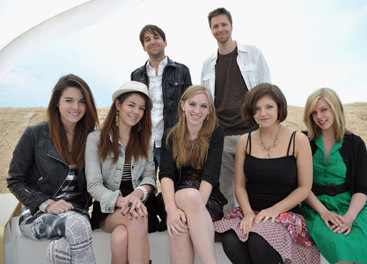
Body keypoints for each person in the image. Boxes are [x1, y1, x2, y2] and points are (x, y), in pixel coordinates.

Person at [214, 83, 320, 264]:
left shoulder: (298, 140)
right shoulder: (244, 141)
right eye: (257, 109)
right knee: (231, 240)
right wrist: (248, 213)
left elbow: (304, 188)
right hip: (251, 212)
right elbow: (239, 184)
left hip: (284, 213)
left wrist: (274, 210)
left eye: (269, 107)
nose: (263, 113)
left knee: (258, 239)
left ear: (279, 108)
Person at [7, 74, 99, 264]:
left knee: (61, 248)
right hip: (38, 214)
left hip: (77, 212)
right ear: (57, 102)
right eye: (69, 100)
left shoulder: (92, 138)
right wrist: (47, 203)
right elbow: (15, 180)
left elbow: (100, 180)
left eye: (82, 101)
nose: (76, 107)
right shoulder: (35, 135)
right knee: (76, 226)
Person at [301, 88, 367, 264]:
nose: (319, 116)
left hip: (352, 206)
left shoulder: (355, 143)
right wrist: (324, 212)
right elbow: (302, 185)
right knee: (342, 253)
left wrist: (350, 217)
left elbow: (360, 189)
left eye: (324, 109)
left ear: (337, 108)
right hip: (316, 207)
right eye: (314, 112)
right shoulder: (304, 141)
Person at [201, 7, 272, 214]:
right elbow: (205, 102)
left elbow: (266, 89)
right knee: (226, 188)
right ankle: (230, 231)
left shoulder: (253, 53)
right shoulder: (207, 64)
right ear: (211, 30)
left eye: (224, 24)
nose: (220, 29)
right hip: (221, 134)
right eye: (216, 26)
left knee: (255, 183)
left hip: (251, 132)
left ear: (231, 26)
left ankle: (257, 229)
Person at [85, 81, 156, 264]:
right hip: (108, 207)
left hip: (137, 203)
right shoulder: (95, 139)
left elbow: (149, 176)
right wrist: (122, 200)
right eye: (131, 105)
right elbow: (93, 185)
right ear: (118, 104)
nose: (136, 112)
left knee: (120, 239)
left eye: (141, 108)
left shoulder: (146, 141)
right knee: (137, 216)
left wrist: (137, 194)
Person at [159, 85, 226, 264]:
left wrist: (196, 208)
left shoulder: (215, 132)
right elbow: (166, 176)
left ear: (209, 110)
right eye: (192, 104)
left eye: (204, 106)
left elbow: (211, 174)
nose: (197, 110)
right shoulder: (170, 135)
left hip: (207, 198)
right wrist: (171, 210)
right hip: (176, 196)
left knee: (181, 228)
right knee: (182, 211)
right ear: (182, 105)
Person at [131, 24, 192, 174]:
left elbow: (190, 109)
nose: (152, 41)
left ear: (165, 42)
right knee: (143, 187)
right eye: (147, 39)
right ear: (143, 47)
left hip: (173, 141)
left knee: (174, 185)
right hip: (144, 142)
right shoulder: (136, 76)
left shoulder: (181, 71)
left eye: (156, 37)